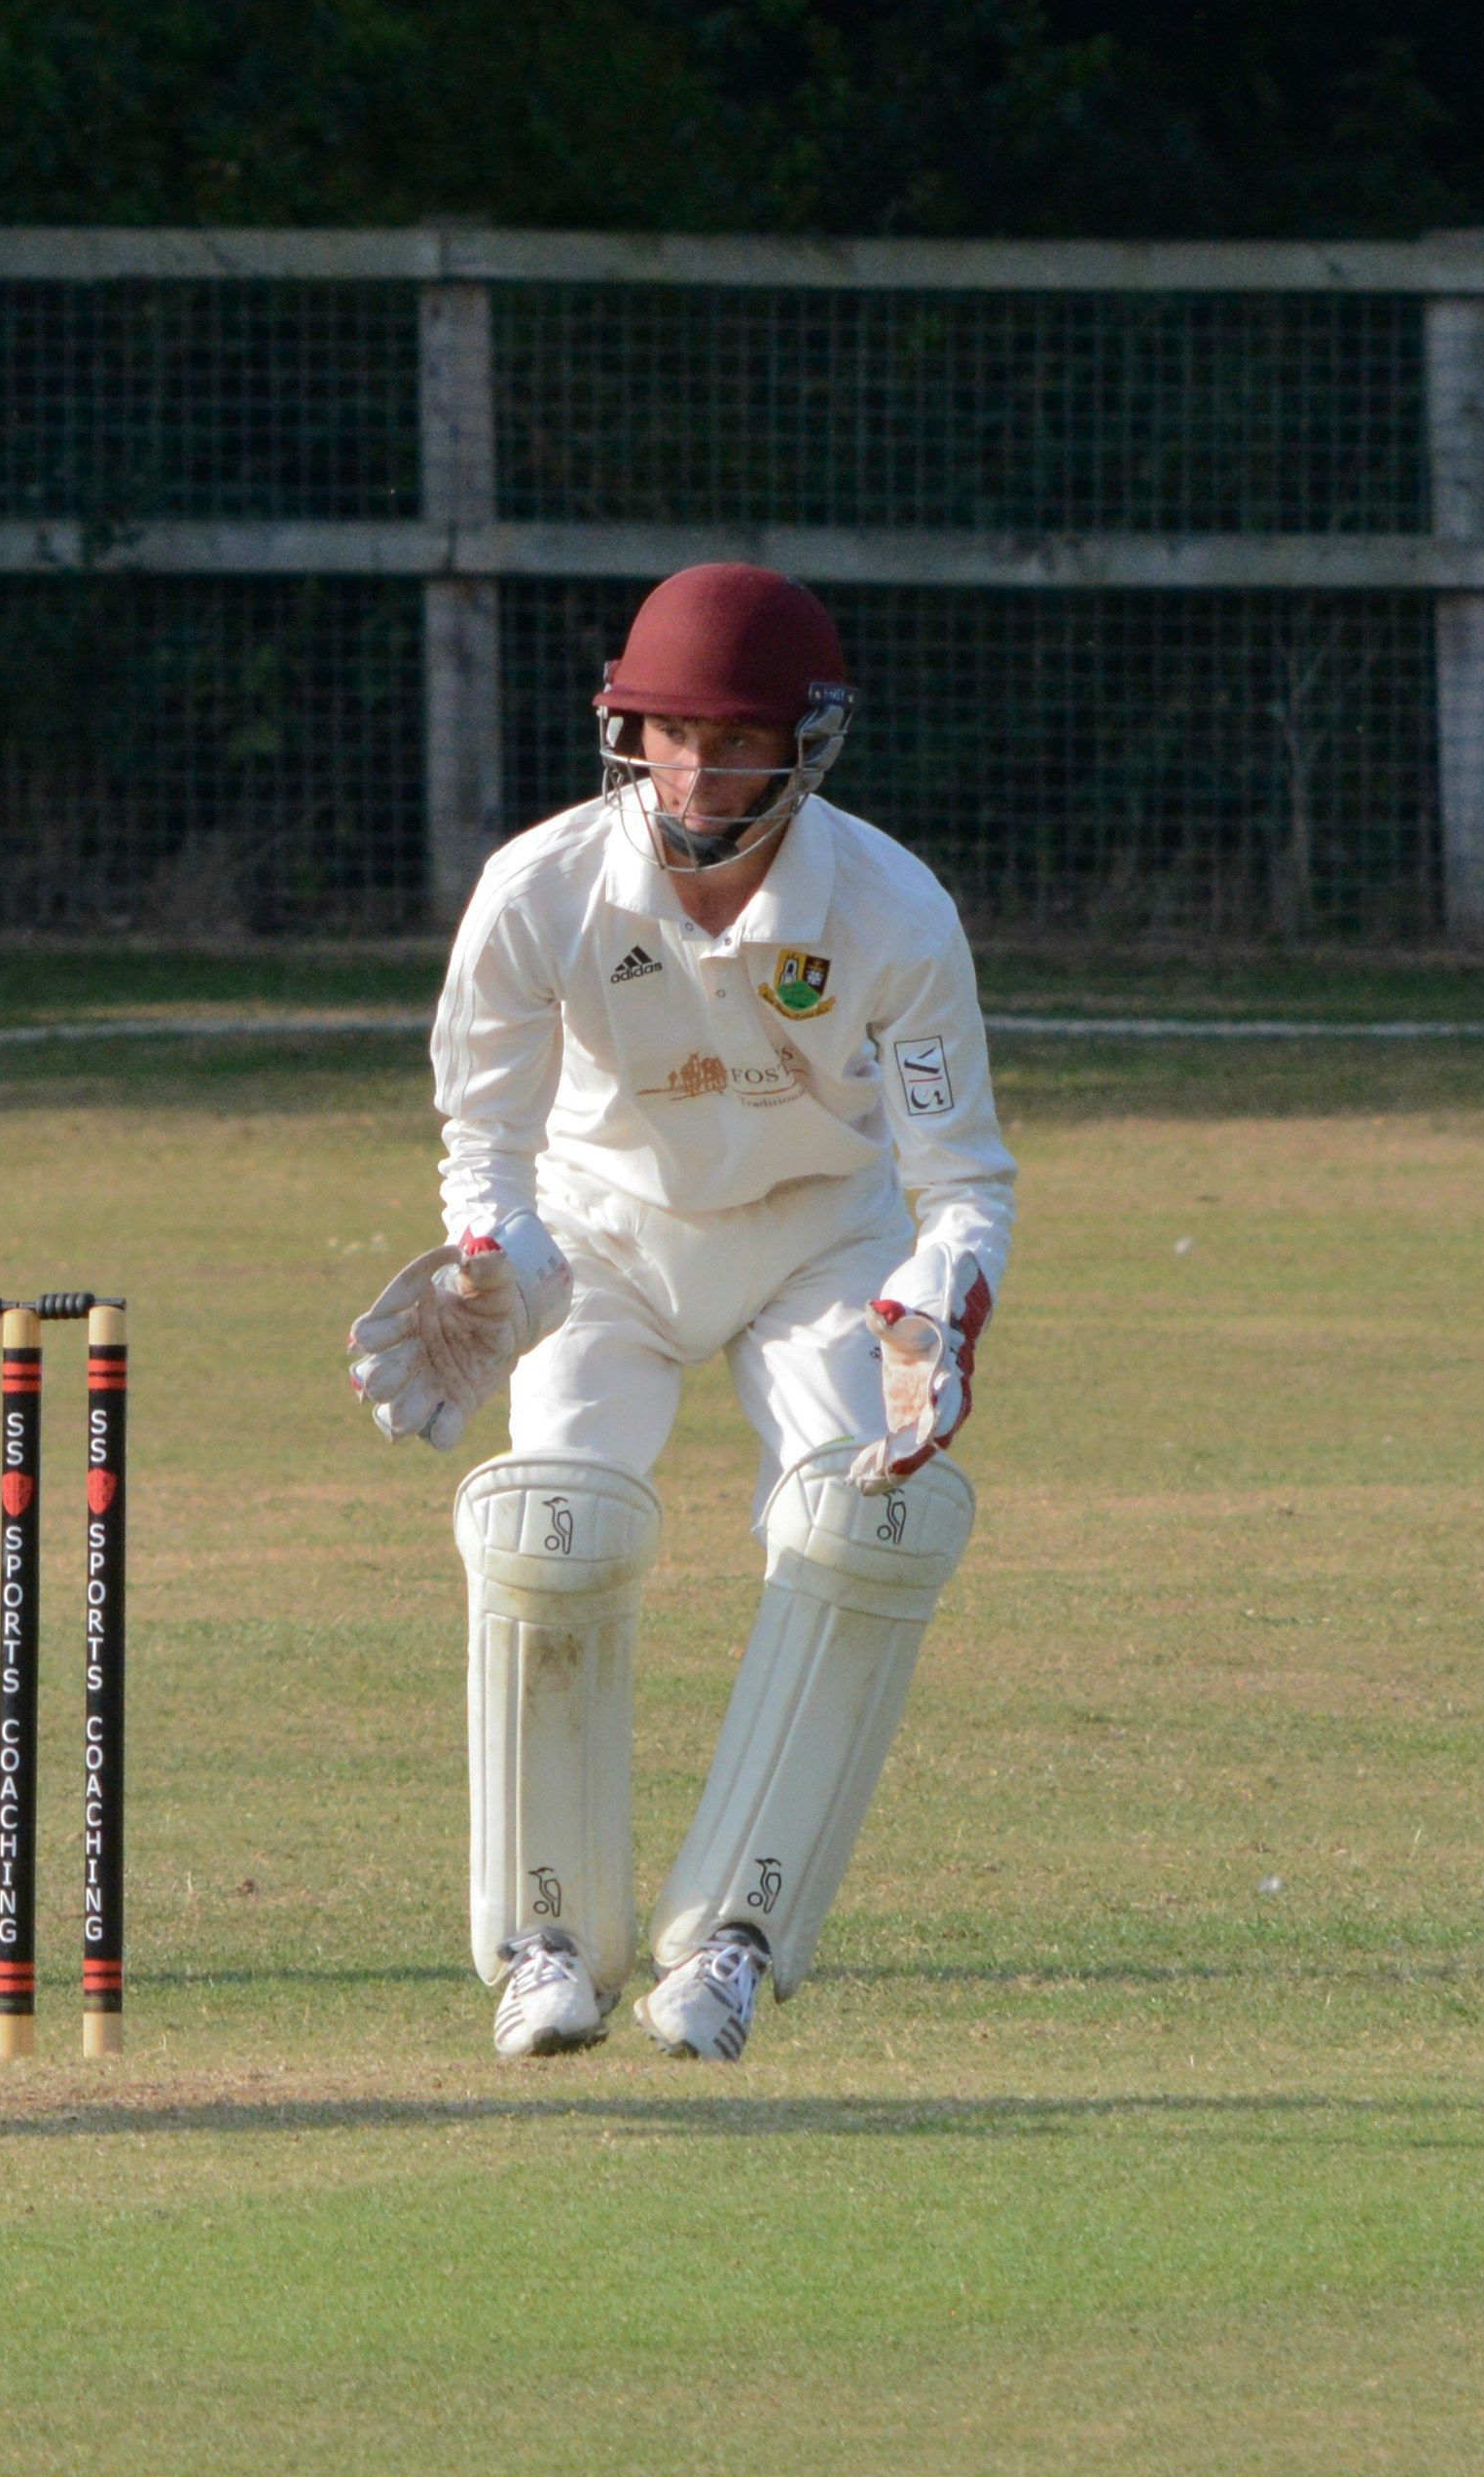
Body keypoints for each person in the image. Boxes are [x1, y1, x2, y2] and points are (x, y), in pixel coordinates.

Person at [346, 564, 1016, 2063]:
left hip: (820, 1236)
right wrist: (497, 1262)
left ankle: (733, 1943)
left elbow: (962, 1178)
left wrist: (935, 1303)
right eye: (670, 735)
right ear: (625, 728)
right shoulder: (541, 888)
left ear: (806, 741)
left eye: (736, 740)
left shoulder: (892, 908)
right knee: (552, 1527)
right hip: (605, 1233)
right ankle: (545, 1944)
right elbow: (486, 1136)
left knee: (859, 1530)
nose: (699, 774)